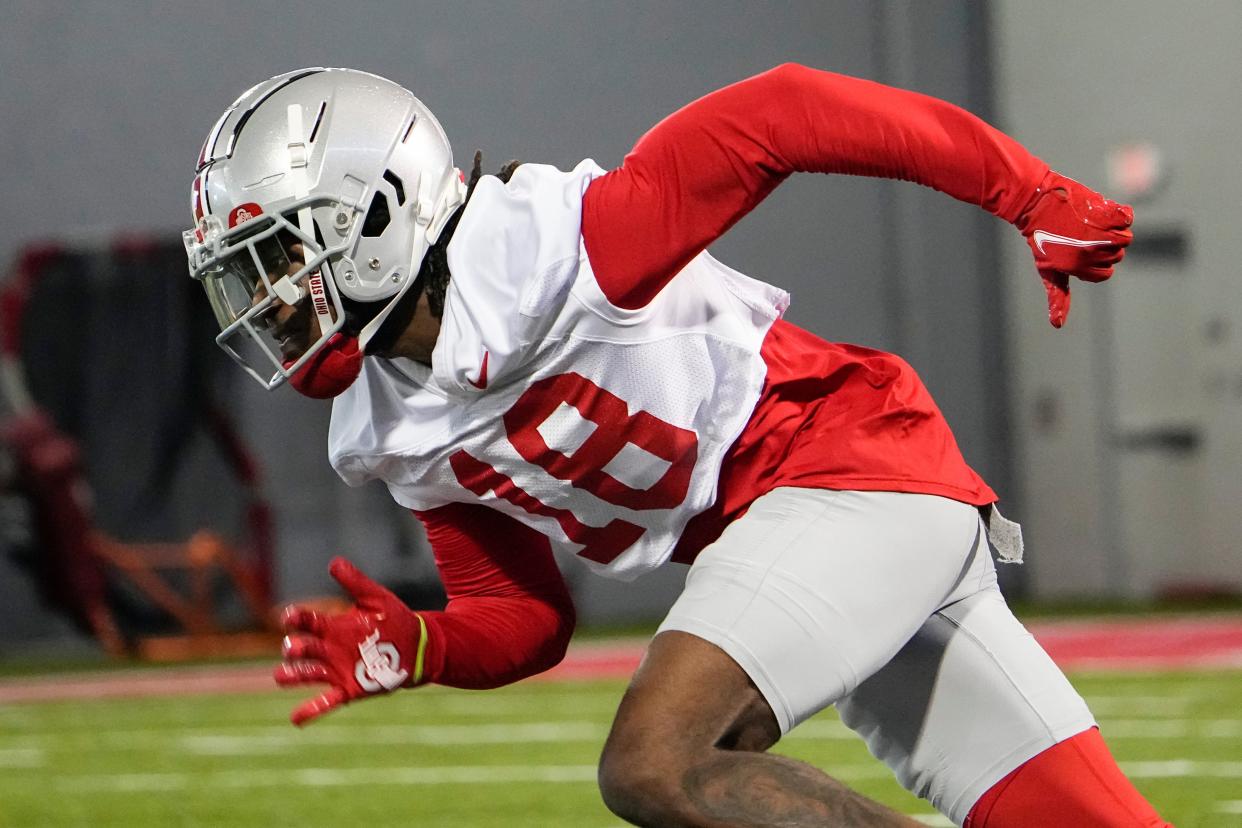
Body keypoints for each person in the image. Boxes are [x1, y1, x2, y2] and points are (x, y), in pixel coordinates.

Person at [184, 64, 1170, 827]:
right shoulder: (386, 426)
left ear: (377, 216)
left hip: (845, 469)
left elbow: (786, 112)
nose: (265, 302)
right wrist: (427, 643)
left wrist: (1029, 194)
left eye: (276, 258)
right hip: (819, 537)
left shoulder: (553, 246)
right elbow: (520, 614)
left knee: (657, 763)